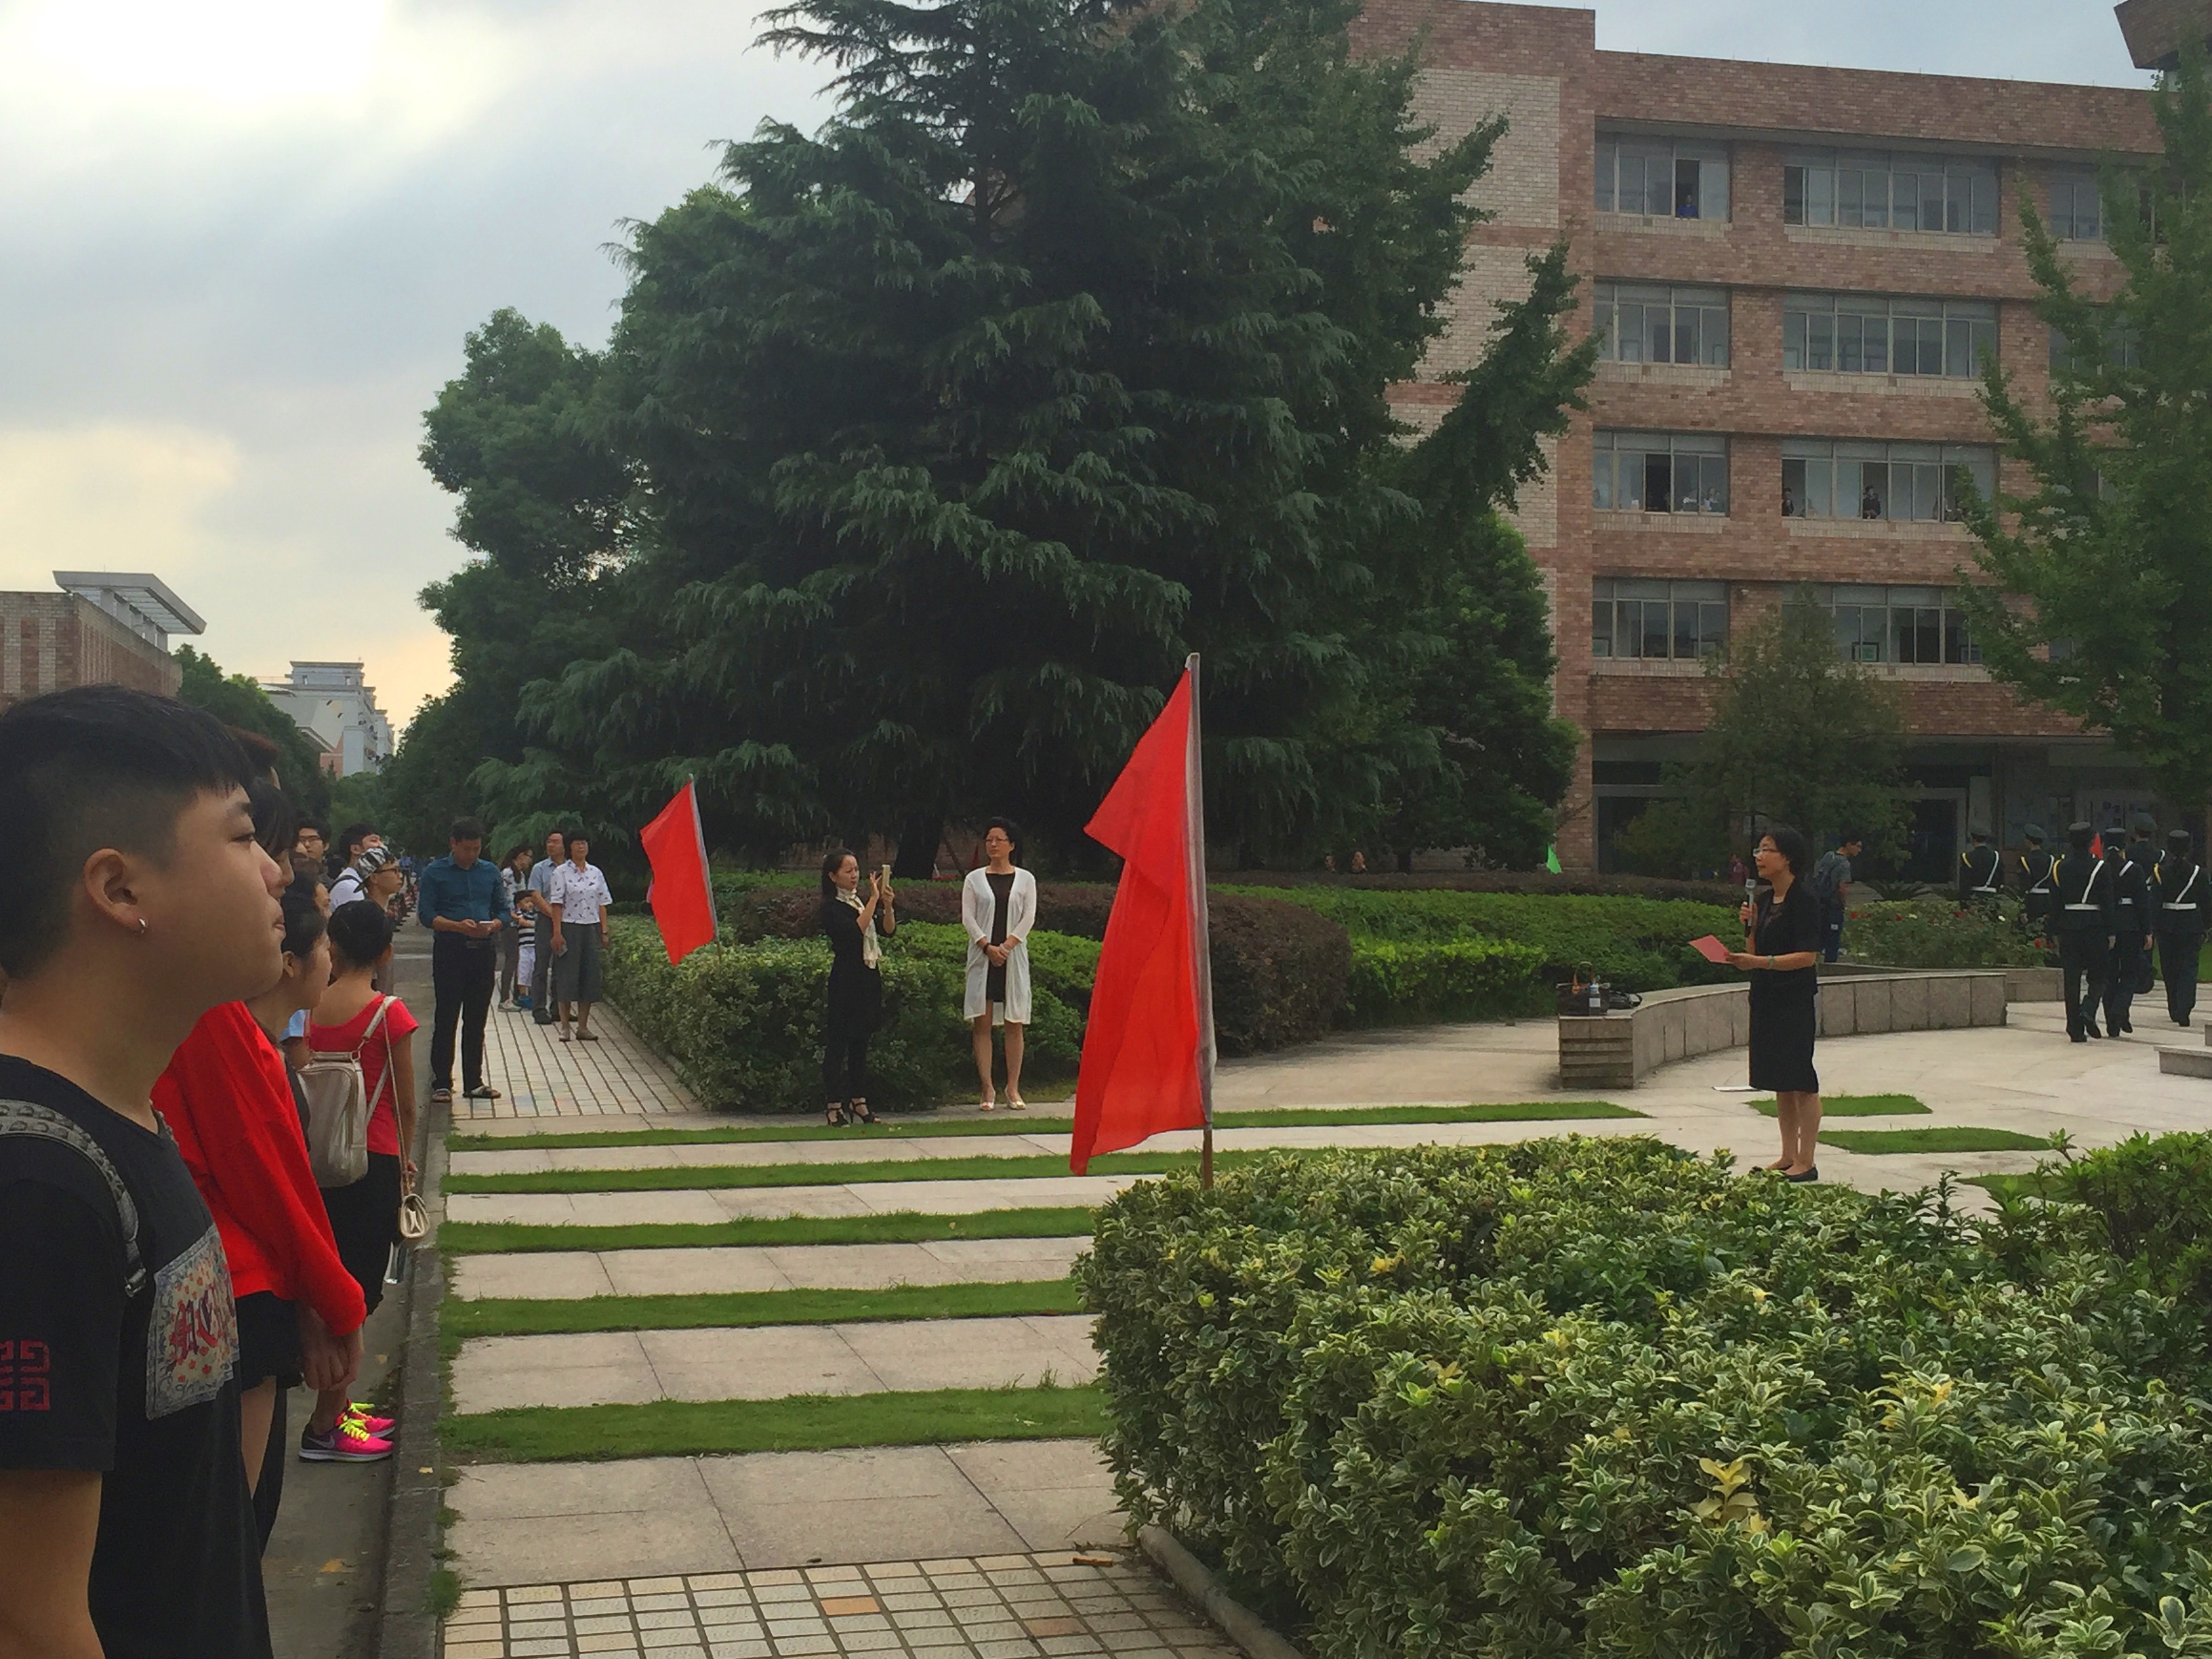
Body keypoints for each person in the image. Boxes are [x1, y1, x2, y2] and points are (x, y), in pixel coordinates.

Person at [0, 684, 282, 1658]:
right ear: (120, 890)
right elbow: (29, 1623)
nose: (276, 871)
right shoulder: (36, 1181)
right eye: (242, 836)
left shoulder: (120, 1114)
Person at [152, 877, 367, 1547]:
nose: (274, 881)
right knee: (229, 1540)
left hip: (239, 1288)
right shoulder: (210, 1014)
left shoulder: (232, 1023)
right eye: (244, 841)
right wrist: (337, 1304)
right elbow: (268, 1180)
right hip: (229, 1293)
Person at [305, 901, 417, 1462]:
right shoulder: (387, 1014)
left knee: (330, 1282)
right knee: (358, 1292)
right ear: (385, 952)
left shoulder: (309, 1008)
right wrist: (408, 1164)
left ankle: (340, 1405)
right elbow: (406, 1102)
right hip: (373, 1160)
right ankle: (326, 1423)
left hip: (318, 1162)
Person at [1725, 826, 1824, 1183]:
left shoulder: (1805, 900)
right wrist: (1750, 929)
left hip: (1793, 999)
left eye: (1767, 850)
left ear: (1788, 857)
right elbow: (1755, 952)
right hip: (1766, 997)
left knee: (1801, 1080)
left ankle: (1807, 1161)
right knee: (1781, 1081)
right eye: (1758, 849)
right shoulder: (1765, 900)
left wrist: (1760, 962)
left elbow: (1807, 957)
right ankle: (1788, 1155)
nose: (1759, 856)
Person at [417, 816, 505, 1105]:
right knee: (447, 1017)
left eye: (477, 849)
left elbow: (503, 911)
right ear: (453, 844)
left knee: (476, 1019)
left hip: (483, 950)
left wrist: (493, 925)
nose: (472, 855)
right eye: (467, 849)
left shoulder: (489, 872)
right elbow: (427, 915)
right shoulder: (435, 873)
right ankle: (442, 1082)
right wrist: (457, 926)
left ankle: (474, 1081)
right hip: (450, 950)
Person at [962, 817, 1038, 1110]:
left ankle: (1013, 1088)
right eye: (989, 840)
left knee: (1014, 1023)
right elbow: (968, 917)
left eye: (999, 839)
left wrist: (1006, 946)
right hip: (983, 956)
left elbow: (1028, 917)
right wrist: (986, 946)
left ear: (1011, 845)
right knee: (982, 1022)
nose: (993, 845)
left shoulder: (1026, 879)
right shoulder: (974, 879)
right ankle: (987, 1089)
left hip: (1012, 956)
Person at [819, 850, 896, 1127]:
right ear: (833, 876)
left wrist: (887, 905)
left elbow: (888, 930)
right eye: (848, 870)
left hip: (867, 975)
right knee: (838, 1043)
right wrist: (873, 900)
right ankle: (834, 1105)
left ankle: (859, 1101)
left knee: (861, 1042)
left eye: (856, 870)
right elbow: (854, 933)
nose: (855, 876)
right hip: (845, 978)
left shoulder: (859, 902)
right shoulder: (831, 907)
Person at [549, 831, 615, 1042]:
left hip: (591, 927)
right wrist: (557, 933)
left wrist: (604, 931)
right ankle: (565, 1027)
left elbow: (602, 903)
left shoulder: (596, 872)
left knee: (589, 976)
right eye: (577, 843)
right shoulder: (561, 872)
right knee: (567, 977)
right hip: (569, 927)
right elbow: (556, 904)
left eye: (584, 843)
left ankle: (583, 1027)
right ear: (570, 847)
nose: (581, 847)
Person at [2053, 821, 2114, 1042]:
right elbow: (2108, 902)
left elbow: (2055, 902)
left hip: (2068, 927)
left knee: (2071, 979)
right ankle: (2089, 1007)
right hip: (2094, 926)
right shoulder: (2100, 867)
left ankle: (2074, 1028)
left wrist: (2054, 931)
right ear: (2091, 842)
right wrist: (2111, 931)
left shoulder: (2059, 867)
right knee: (2099, 974)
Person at [2105, 820, 2158, 1036]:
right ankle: (2119, 1010)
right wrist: (2148, 930)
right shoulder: (2134, 870)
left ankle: (2112, 1021)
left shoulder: (2101, 868)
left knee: (2110, 975)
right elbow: (2142, 903)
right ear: (2124, 846)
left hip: (2108, 924)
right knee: (2130, 973)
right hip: (2130, 925)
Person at [2155, 827, 2206, 1026]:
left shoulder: (2160, 871)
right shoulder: (2198, 873)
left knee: (2169, 967)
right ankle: (2185, 1006)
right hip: (2191, 922)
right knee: (2189, 967)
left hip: (2167, 923)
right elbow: (2207, 901)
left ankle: (2174, 1006)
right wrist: (2206, 926)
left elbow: (2155, 901)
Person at [526, 829, 567, 1026]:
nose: (551, 845)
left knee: (562, 966)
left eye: (556, 842)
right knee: (541, 965)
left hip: (567, 922)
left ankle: (559, 1009)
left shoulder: (571, 868)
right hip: (545, 920)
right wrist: (553, 914)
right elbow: (536, 895)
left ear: (564, 846)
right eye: (549, 841)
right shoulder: (539, 868)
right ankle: (539, 1009)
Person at [1811, 832, 1860, 963]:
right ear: (1849, 845)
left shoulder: (1828, 856)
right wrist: (1843, 903)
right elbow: (1842, 887)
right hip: (1833, 905)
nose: (1859, 850)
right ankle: (1830, 967)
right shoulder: (1844, 864)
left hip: (1820, 903)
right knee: (1833, 940)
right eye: (1858, 846)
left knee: (1820, 937)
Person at [496, 844, 535, 1011]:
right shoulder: (508, 873)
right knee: (512, 959)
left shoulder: (520, 875)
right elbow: (506, 900)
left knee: (520, 960)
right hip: (510, 923)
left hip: (519, 923)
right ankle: (504, 999)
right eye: (528, 856)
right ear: (520, 855)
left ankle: (519, 996)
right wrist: (516, 917)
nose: (530, 860)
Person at [2016, 824, 2056, 943]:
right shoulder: (2051, 859)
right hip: (2048, 900)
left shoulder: (2024, 860)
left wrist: (2022, 910)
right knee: (2046, 932)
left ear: (2029, 841)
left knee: (2030, 934)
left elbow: (2023, 886)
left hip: (2031, 901)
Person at [1957, 827, 2001, 907]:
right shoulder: (1996, 856)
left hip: (1974, 897)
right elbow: (2000, 878)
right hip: (1992, 897)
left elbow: (1965, 882)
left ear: (1973, 840)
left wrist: (1964, 903)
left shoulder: (1967, 857)